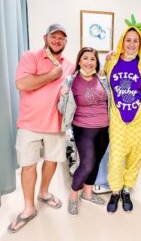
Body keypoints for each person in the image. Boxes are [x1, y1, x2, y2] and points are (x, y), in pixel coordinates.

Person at [8, 24, 74, 233]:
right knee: (28, 166)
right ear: (45, 37)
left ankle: (44, 192)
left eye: (61, 38)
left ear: (66, 42)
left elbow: (87, 74)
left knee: (52, 161)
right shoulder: (31, 56)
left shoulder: (70, 65)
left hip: (56, 124)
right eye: (54, 37)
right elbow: (22, 84)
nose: (57, 41)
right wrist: (52, 76)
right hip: (30, 124)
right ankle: (29, 207)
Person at [105, 19, 141, 213]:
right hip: (118, 118)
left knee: (135, 156)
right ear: (122, 41)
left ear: (140, 43)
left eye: (135, 41)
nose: (131, 44)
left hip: (140, 119)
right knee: (116, 157)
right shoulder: (112, 61)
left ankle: (126, 189)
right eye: (128, 40)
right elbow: (102, 79)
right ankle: (115, 191)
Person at [58, 47, 110, 216]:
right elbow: (61, 108)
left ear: (97, 61)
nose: (89, 62)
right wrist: (64, 95)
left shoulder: (102, 77)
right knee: (87, 162)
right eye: (85, 58)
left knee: (96, 161)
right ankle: (73, 195)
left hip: (105, 128)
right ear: (79, 61)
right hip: (83, 128)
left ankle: (87, 193)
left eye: (92, 59)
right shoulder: (70, 81)